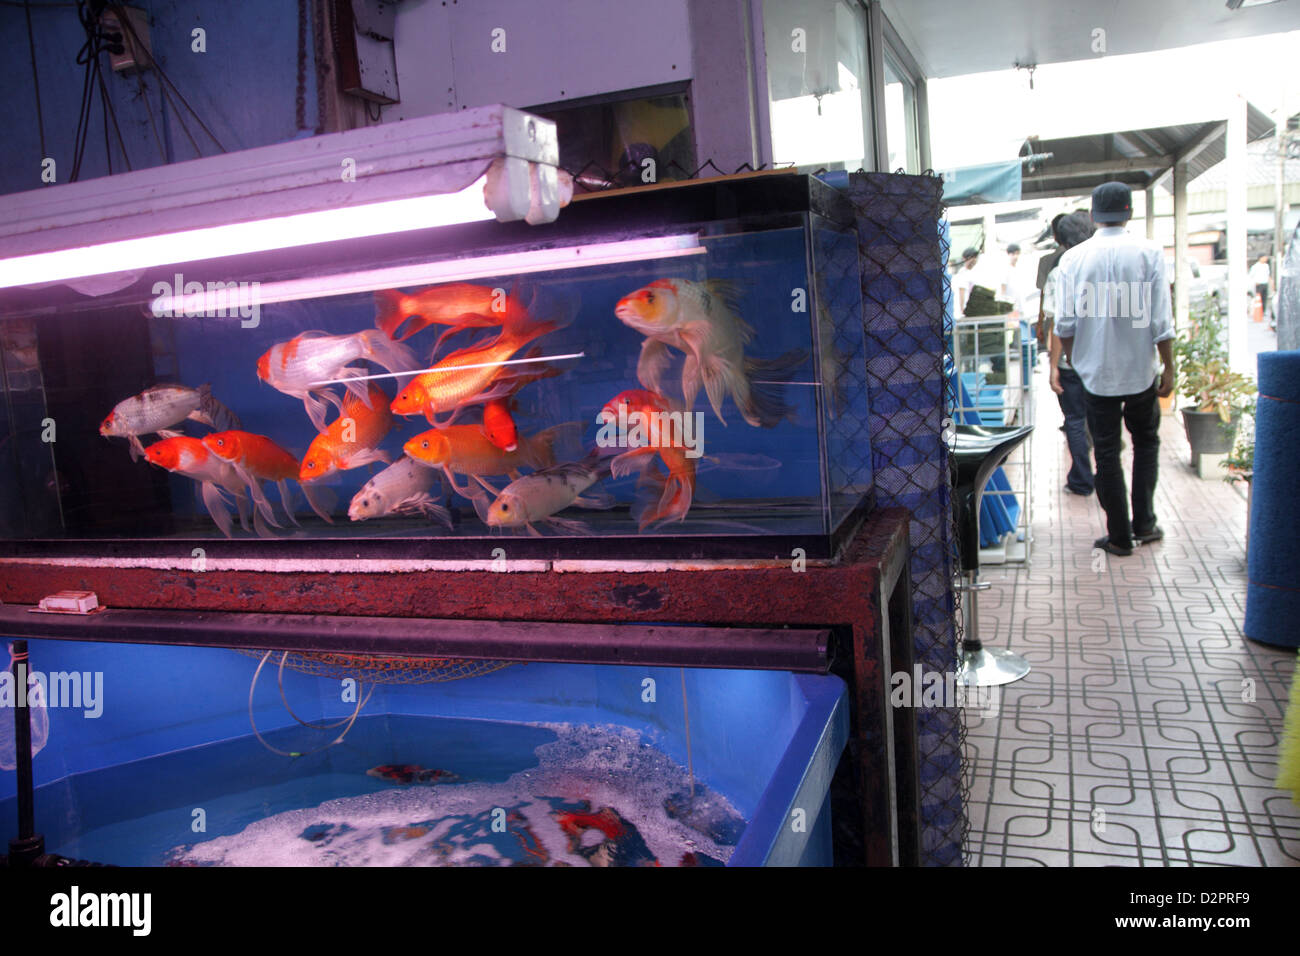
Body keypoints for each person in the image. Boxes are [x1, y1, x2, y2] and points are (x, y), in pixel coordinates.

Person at [1053, 182, 1176, 557]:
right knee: (1146, 444)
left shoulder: (1072, 260)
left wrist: (1076, 360)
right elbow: (1162, 321)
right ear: (1129, 213)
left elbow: (1065, 324)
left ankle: (1119, 536)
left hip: (1096, 375)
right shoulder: (1150, 253)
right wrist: (1170, 367)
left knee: (1105, 452)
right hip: (1140, 370)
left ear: (1092, 216)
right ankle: (1145, 523)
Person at [1043, 213, 1096, 497]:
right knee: (1100, 418)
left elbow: (1058, 325)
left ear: (1060, 241)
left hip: (1072, 362)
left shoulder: (1060, 271)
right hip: (1100, 358)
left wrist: (1053, 366)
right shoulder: (1104, 267)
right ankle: (1107, 477)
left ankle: (1082, 479)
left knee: (1075, 419)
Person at [955, 247, 981, 316]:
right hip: (963, 313)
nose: (974, 260)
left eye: (975, 257)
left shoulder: (972, 273)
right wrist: (962, 310)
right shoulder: (963, 273)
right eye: (972, 257)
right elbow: (961, 292)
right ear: (964, 259)